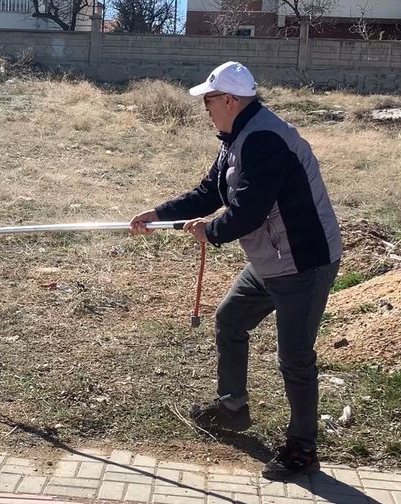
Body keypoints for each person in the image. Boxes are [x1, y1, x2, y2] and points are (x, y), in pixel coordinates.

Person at [130, 61, 342, 481]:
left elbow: (249, 210)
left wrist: (212, 232)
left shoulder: (264, 139)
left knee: (295, 358)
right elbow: (212, 190)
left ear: (229, 99)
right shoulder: (237, 135)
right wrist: (158, 213)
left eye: (208, 100)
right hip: (272, 258)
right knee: (231, 319)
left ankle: (303, 450)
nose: (205, 107)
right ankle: (232, 407)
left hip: (303, 261)